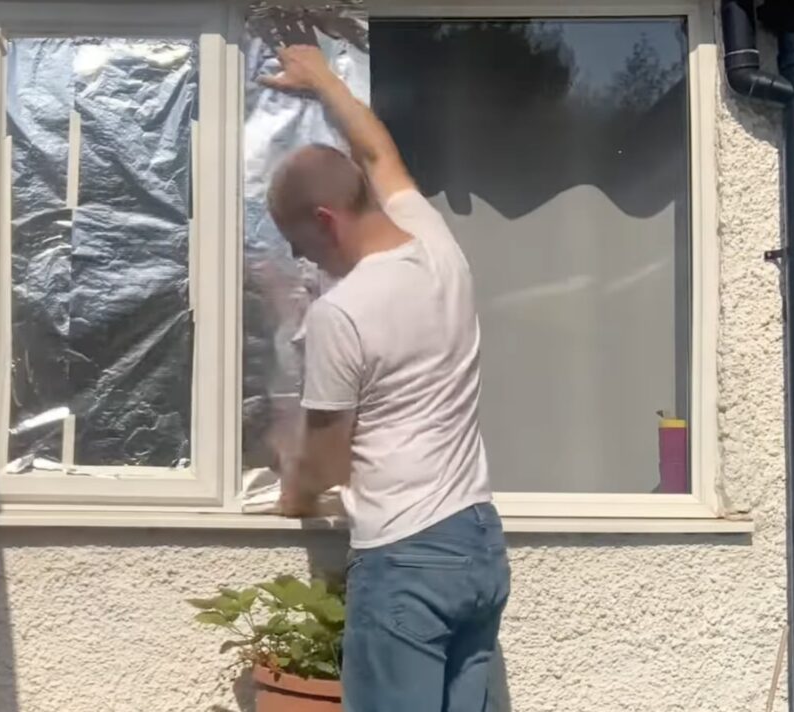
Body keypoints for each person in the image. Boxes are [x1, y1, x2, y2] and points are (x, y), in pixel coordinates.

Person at [261, 45, 511, 712]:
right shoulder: (437, 246)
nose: (298, 257)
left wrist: (295, 491)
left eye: (296, 242)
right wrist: (322, 80)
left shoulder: (341, 313)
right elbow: (379, 155)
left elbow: (329, 459)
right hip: (478, 543)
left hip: (406, 556)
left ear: (324, 220)